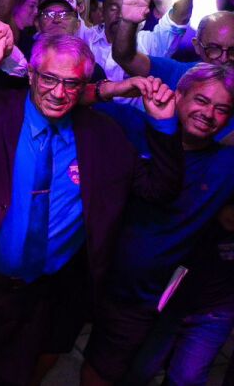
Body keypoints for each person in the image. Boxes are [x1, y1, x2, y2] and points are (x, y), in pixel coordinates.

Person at [0, 33, 184, 386]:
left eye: (72, 83)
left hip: (40, 295)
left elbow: (159, 189)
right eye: (50, 79)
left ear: (85, 85)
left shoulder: (104, 137)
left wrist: (164, 124)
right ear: (31, 74)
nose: (59, 93)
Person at [83, 64, 234, 385]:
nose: (208, 113)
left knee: (106, 371)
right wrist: (115, 88)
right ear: (178, 95)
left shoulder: (224, 165)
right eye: (202, 101)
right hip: (88, 270)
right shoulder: (135, 126)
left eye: (221, 109)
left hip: (140, 297)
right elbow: (72, 98)